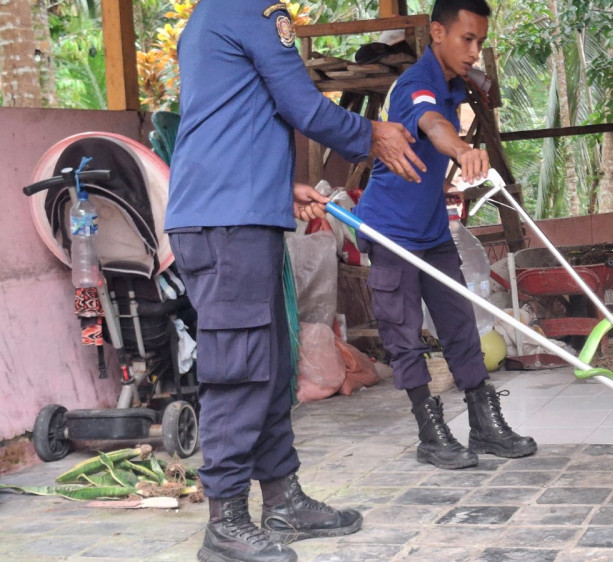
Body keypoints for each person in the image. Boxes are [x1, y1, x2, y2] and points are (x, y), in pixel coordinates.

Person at [163, 0, 426, 559]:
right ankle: (226, 520)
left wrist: (280, 192)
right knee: (239, 369)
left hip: (235, 214)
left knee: (273, 363)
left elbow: (230, 121)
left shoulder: (208, 19)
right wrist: (372, 132)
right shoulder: (254, 11)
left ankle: (282, 497)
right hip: (226, 224)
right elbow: (300, 104)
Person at [353, 0, 536, 471]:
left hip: (432, 230)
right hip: (390, 232)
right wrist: (461, 150)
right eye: (466, 39)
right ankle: (430, 431)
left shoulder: (457, 84)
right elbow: (431, 123)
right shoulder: (417, 83)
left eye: (481, 41)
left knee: (459, 323)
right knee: (404, 334)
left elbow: (447, 115)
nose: (475, 51)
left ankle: (483, 422)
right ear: (437, 32)